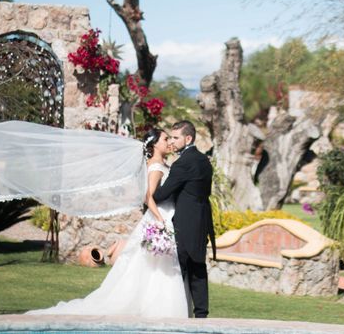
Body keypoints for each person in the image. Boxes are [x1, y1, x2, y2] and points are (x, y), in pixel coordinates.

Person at [26, 128, 189, 318]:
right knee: (156, 263)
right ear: (154, 144)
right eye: (164, 139)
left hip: (164, 214)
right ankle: (155, 308)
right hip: (160, 216)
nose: (168, 142)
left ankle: (154, 305)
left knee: (156, 264)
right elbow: (148, 196)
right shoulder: (155, 166)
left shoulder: (162, 163)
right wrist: (160, 220)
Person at [153, 120, 216, 318]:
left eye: (175, 137)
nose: (172, 141)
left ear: (188, 138)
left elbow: (162, 194)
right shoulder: (204, 160)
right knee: (198, 267)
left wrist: (148, 193)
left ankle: (177, 312)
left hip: (185, 222)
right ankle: (201, 314)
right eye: (170, 137)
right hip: (202, 220)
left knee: (179, 269)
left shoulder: (182, 164)